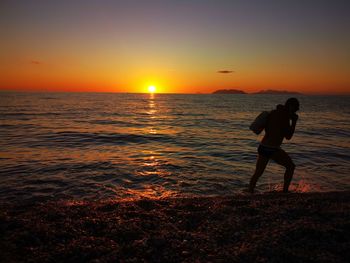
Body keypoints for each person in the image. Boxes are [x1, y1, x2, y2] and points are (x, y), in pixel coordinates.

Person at [248, 98, 300, 193]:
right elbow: (288, 136)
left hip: (263, 146)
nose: (296, 111)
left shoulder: (273, 113)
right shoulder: (284, 117)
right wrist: (294, 122)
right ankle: (285, 191)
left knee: (258, 173)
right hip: (272, 149)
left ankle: (250, 191)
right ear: (291, 107)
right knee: (291, 166)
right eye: (296, 109)